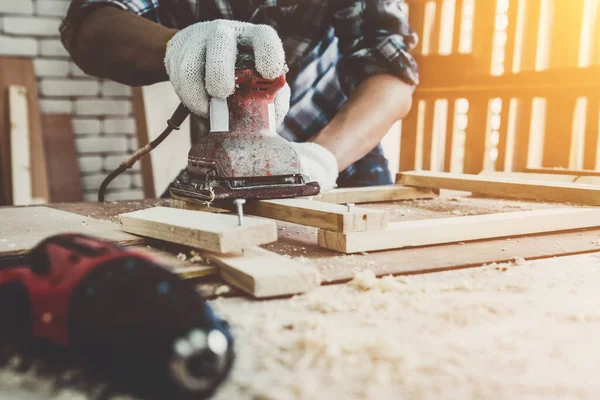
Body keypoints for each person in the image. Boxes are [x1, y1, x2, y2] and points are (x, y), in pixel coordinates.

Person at [60, 0, 419, 192]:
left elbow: (393, 74)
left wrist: (319, 159)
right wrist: (176, 47)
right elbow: (88, 23)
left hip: (342, 152)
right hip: (227, 169)